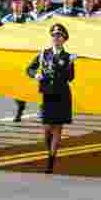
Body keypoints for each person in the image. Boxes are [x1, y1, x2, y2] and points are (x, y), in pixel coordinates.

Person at [26, 22, 76, 174]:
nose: (56, 38)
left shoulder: (68, 57)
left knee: (57, 128)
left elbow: (70, 77)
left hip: (62, 94)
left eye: (59, 36)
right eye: (54, 35)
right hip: (47, 94)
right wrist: (36, 75)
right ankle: (50, 152)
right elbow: (29, 69)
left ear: (64, 39)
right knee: (47, 129)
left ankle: (51, 161)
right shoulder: (43, 54)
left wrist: (69, 64)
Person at [3, 0, 33, 122]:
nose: (17, 4)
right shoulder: (6, 20)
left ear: (24, 4)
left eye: (19, 2)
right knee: (13, 83)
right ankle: (20, 104)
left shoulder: (30, 19)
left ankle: (23, 105)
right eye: (15, 2)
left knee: (26, 81)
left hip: (26, 54)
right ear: (11, 5)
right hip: (12, 54)